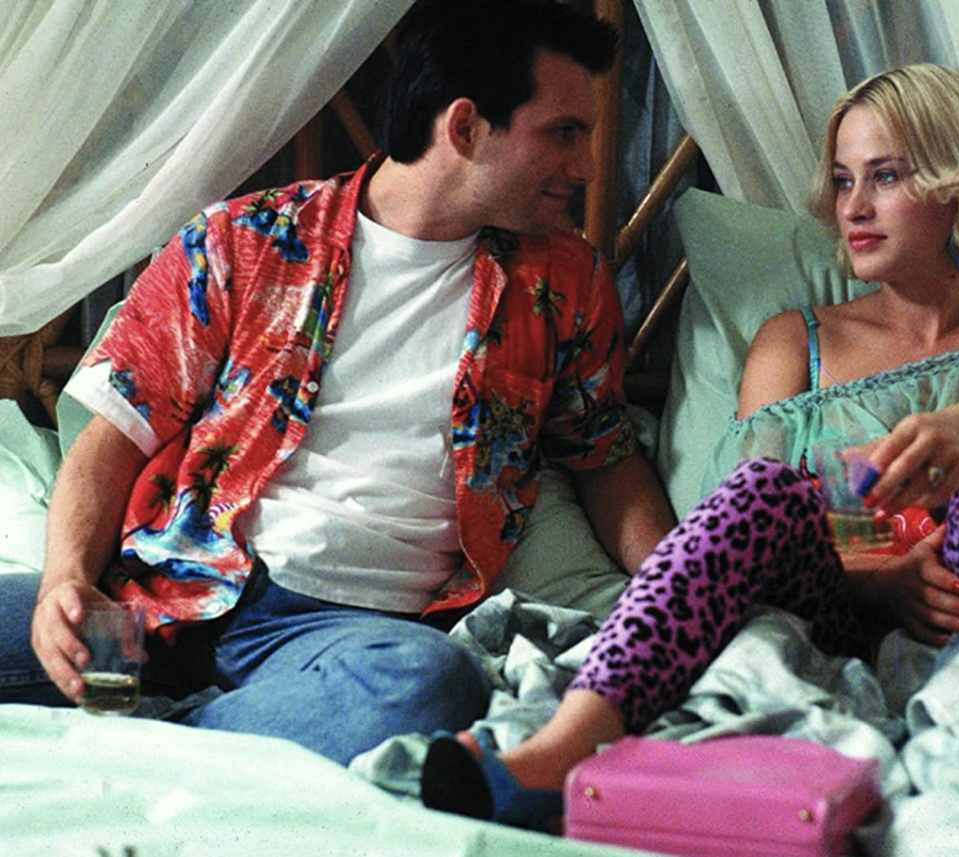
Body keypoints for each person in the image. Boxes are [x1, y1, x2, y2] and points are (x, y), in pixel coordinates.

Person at [417, 63, 959, 828]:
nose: (853, 206)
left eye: (885, 176)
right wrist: (881, 578)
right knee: (766, 492)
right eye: (843, 180)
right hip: (831, 611)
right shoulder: (796, 339)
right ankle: (565, 744)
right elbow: (742, 526)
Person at [0, 0, 675, 766]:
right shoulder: (244, 241)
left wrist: (684, 591)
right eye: (564, 133)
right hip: (159, 598)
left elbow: (606, 460)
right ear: (464, 127)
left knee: (432, 684)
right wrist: (65, 584)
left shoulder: (565, 286)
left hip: (345, 638)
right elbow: (112, 436)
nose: (586, 167)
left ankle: (142, 745)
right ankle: (198, 734)